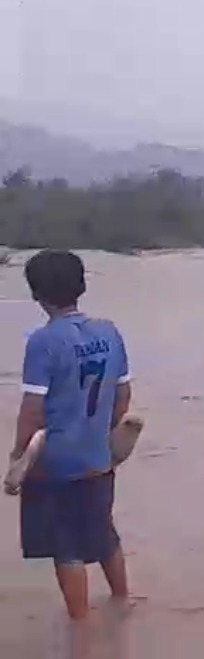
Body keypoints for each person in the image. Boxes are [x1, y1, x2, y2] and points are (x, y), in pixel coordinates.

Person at [6, 250, 133, 621]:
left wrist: (18, 456)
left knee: (67, 548)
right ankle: (122, 604)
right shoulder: (109, 332)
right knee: (104, 533)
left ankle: (81, 628)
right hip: (99, 457)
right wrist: (103, 439)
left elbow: (33, 410)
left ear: (36, 293)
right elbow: (123, 396)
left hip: (56, 463)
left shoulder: (43, 341)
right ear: (82, 286)